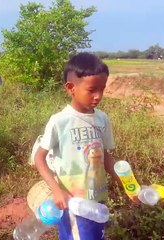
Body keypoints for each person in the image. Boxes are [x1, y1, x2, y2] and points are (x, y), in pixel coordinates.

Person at [34, 52, 119, 239]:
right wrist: (57, 191)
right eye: (92, 90)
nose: (98, 96)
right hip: (72, 202)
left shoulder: (102, 119)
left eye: (102, 89)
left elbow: (105, 156)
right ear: (71, 88)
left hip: (98, 200)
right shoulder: (60, 121)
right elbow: (39, 158)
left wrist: (126, 183)